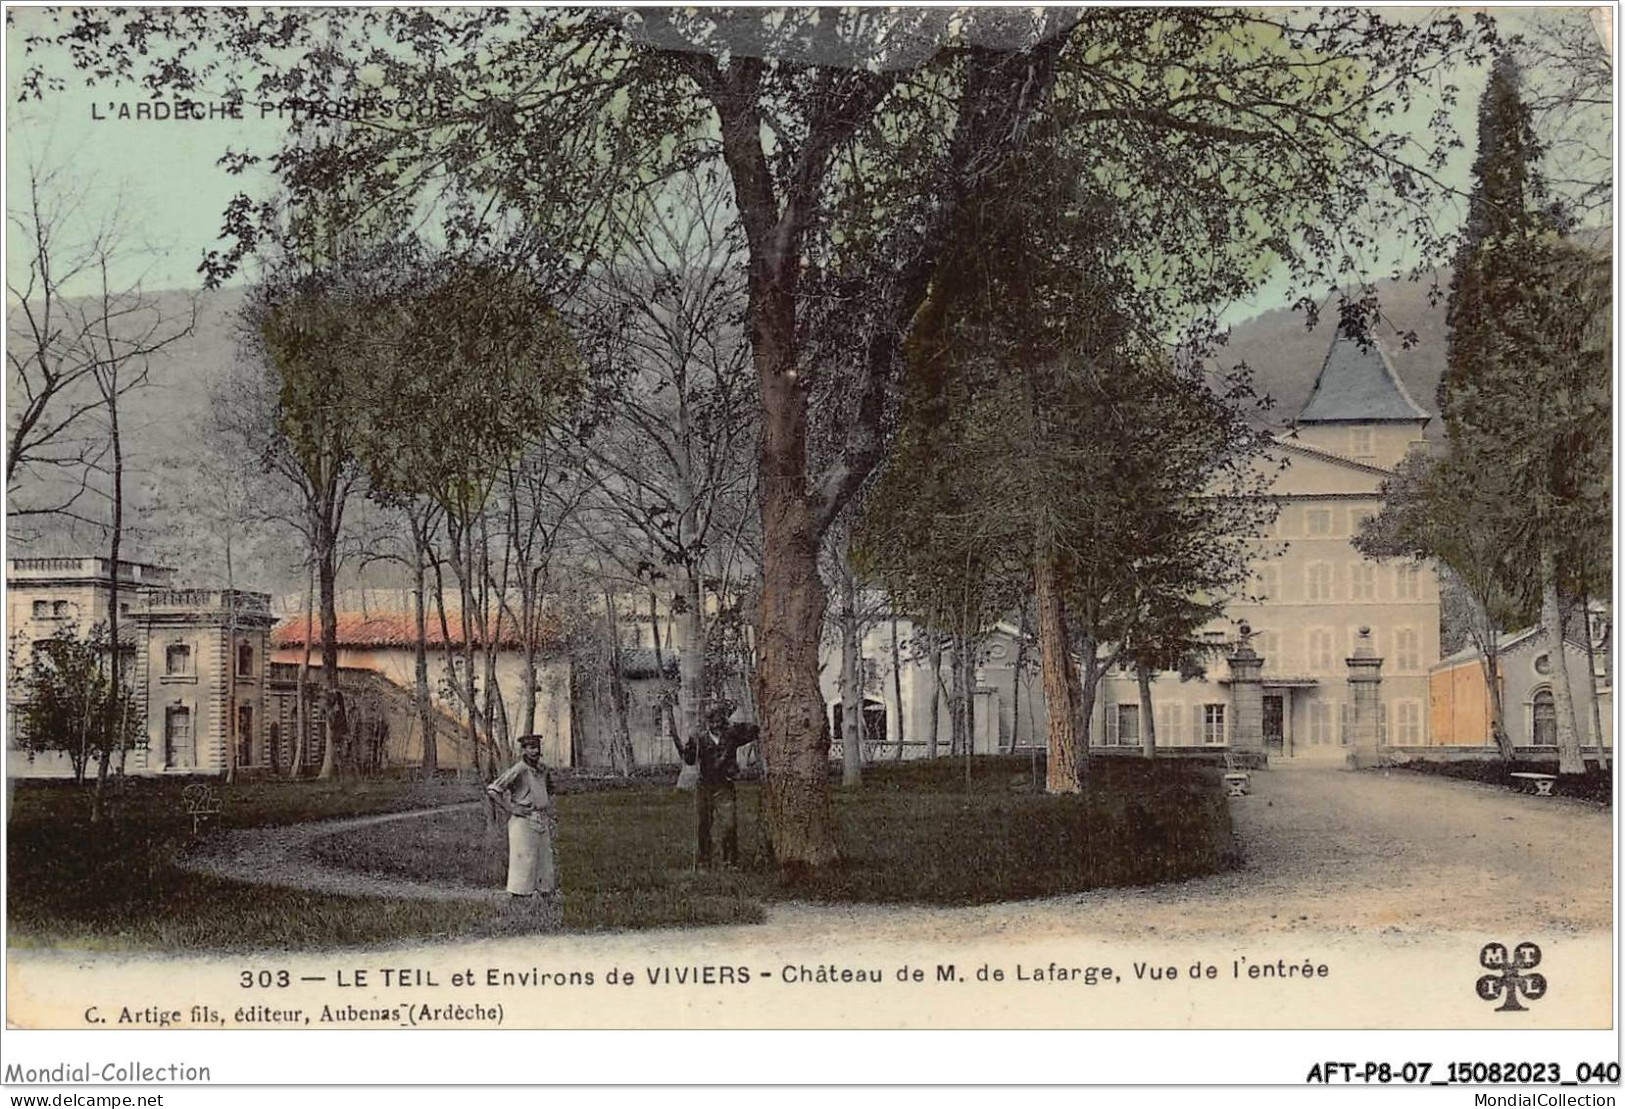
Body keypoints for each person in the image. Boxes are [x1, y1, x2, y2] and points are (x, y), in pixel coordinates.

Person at [676, 702, 756, 868]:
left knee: (729, 824)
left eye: (720, 722)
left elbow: (754, 731)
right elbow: (689, 760)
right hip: (704, 786)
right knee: (704, 825)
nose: (717, 726)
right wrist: (689, 745)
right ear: (708, 723)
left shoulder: (732, 736)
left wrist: (734, 724)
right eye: (713, 722)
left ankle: (730, 861)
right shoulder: (699, 738)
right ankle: (705, 860)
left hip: (724, 786)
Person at [487, 735, 559, 902]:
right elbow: (493, 789)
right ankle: (519, 897)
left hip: (541, 817)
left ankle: (545, 894)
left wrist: (549, 810)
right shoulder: (519, 769)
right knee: (524, 860)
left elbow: (550, 790)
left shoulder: (543, 769)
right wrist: (511, 808)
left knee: (544, 859)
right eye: (530, 747)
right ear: (524, 750)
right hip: (523, 820)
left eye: (536, 747)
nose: (534, 751)